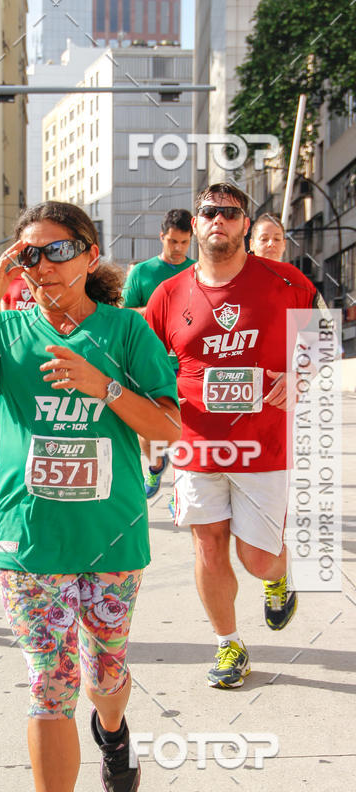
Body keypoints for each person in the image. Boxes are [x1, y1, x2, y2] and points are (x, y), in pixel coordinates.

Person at [0, 201, 180, 792]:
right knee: (49, 683)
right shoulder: (6, 328)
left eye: (55, 252)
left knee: (105, 674)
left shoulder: (126, 330)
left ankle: (115, 728)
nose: (40, 267)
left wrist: (105, 388)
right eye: (26, 255)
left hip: (111, 537)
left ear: (90, 255)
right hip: (28, 540)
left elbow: (170, 428)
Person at [145, 183, 317, 690]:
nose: (218, 220)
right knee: (208, 546)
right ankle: (229, 644)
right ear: (194, 225)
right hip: (198, 446)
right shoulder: (170, 294)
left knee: (255, 557)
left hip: (264, 446)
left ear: (245, 224)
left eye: (230, 212)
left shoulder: (285, 281)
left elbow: (318, 336)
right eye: (208, 212)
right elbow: (147, 360)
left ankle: (278, 576)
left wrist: (300, 372)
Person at [123, 209, 195, 499]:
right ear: (162, 237)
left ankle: (182, 495)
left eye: (184, 243)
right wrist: (153, 312)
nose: (178, 249)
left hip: (187, 363)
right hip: (149, 362)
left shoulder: (198, 271)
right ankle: (155, 465)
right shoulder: (142, 273)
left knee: (187, 434)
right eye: (173, 242)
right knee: (146, 429)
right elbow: (122, 313)